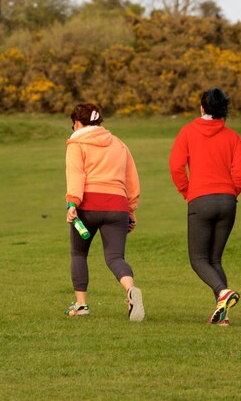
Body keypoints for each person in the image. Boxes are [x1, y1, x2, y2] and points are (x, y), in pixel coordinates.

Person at [169, 88, 241, 325]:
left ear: (202, 108)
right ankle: (222, 315)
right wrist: (232, 191)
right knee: (215, 260)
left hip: (200, 199)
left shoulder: (187, 132)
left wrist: (187, 191)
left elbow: (175, 166)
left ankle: (222, 293)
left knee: (198, 259)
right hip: (227, 200)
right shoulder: (232, 137)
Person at [64, 102, 145, 321]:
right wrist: (131, 210)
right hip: (117, 206)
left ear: (77, 123)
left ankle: (81, 305)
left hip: (88, 206)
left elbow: (76, 175)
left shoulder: (76, 143)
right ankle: (130, 291)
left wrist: (72, 203)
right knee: (115, 257)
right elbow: (132, 180)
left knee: (79, 254)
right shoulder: (119, 144)